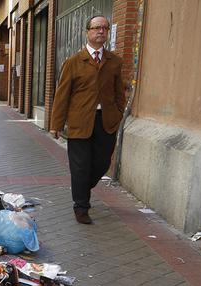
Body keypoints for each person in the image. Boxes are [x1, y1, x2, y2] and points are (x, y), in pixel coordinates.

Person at [50, 15, 125, 224]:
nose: (101, 31)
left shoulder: (114, 62)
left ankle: (82, 186)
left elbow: (120, 93)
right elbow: (62, 95)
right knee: (80, 167)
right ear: (88, 32)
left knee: (101, 164)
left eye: (105, 28)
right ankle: (81, 206)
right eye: (96, 28)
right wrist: (56, 125)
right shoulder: (73, 62)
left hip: (106, 121)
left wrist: (118, 113)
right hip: (79, 122)